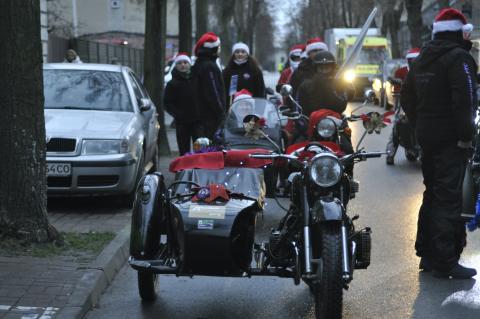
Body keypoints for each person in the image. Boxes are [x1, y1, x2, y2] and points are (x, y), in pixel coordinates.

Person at [402, 8, 478, 279]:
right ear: (458, 32)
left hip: (427, 137)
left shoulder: (423, 58)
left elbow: (406, 97)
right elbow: (466, 100)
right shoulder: (460, 59)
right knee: (448, 197)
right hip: (451, 140)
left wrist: (419, 123)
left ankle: (427, 255)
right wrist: (466, 135)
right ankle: (445, 261)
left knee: (432, 192)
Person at [297, 50, 355, 175]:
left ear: (332, 67)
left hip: (335, 124)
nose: (324, 70)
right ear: (315, 68)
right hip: (310, 122)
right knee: (294, 147)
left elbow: (343, 103)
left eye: (327, 67)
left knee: (348, 150)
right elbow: (301, 106)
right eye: (321, 67)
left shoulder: (340, 83)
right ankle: (291, 180)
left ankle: (348, 178)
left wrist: (349, 89)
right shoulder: (306, 85)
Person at [385, 48, 421, 165]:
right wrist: (397, 84)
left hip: (420, 106)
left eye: (417, 59)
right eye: (412, 60)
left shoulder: (425, 70)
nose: (414, 62)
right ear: (408, 60)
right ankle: (390, 154)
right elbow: (395, 90)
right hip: (404, 105)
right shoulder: (401, 72)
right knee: (396, 127)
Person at [164, 53, 202, 155]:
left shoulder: (197, 80)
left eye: (185, 62)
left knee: (199, 149)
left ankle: (198, 168)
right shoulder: (172, 84)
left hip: (197, 121)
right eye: (180, 63)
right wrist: (177, 114)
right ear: (176, 65)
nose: (183, 65)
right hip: (182, 122)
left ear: (190, 64)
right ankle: (183, 169)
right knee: (184, 149)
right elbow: (167, 102)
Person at [191, 32, 226, 140]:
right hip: (210, 118)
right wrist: (221, 112)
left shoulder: (200, 64)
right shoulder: (209, 66)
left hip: (201, 117)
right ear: (213, 49)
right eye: (218, 47)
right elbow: (213, 92)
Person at [222, 42, 266, 108]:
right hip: (232, 107)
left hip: (251, 107)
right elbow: (223, 90)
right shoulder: (228, 70)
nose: (240, 54)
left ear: (247, 54)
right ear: (234, 54)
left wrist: (259, 109)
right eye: (237, 52)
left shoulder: (254, 70)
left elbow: (260, 90)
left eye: (243, 52)